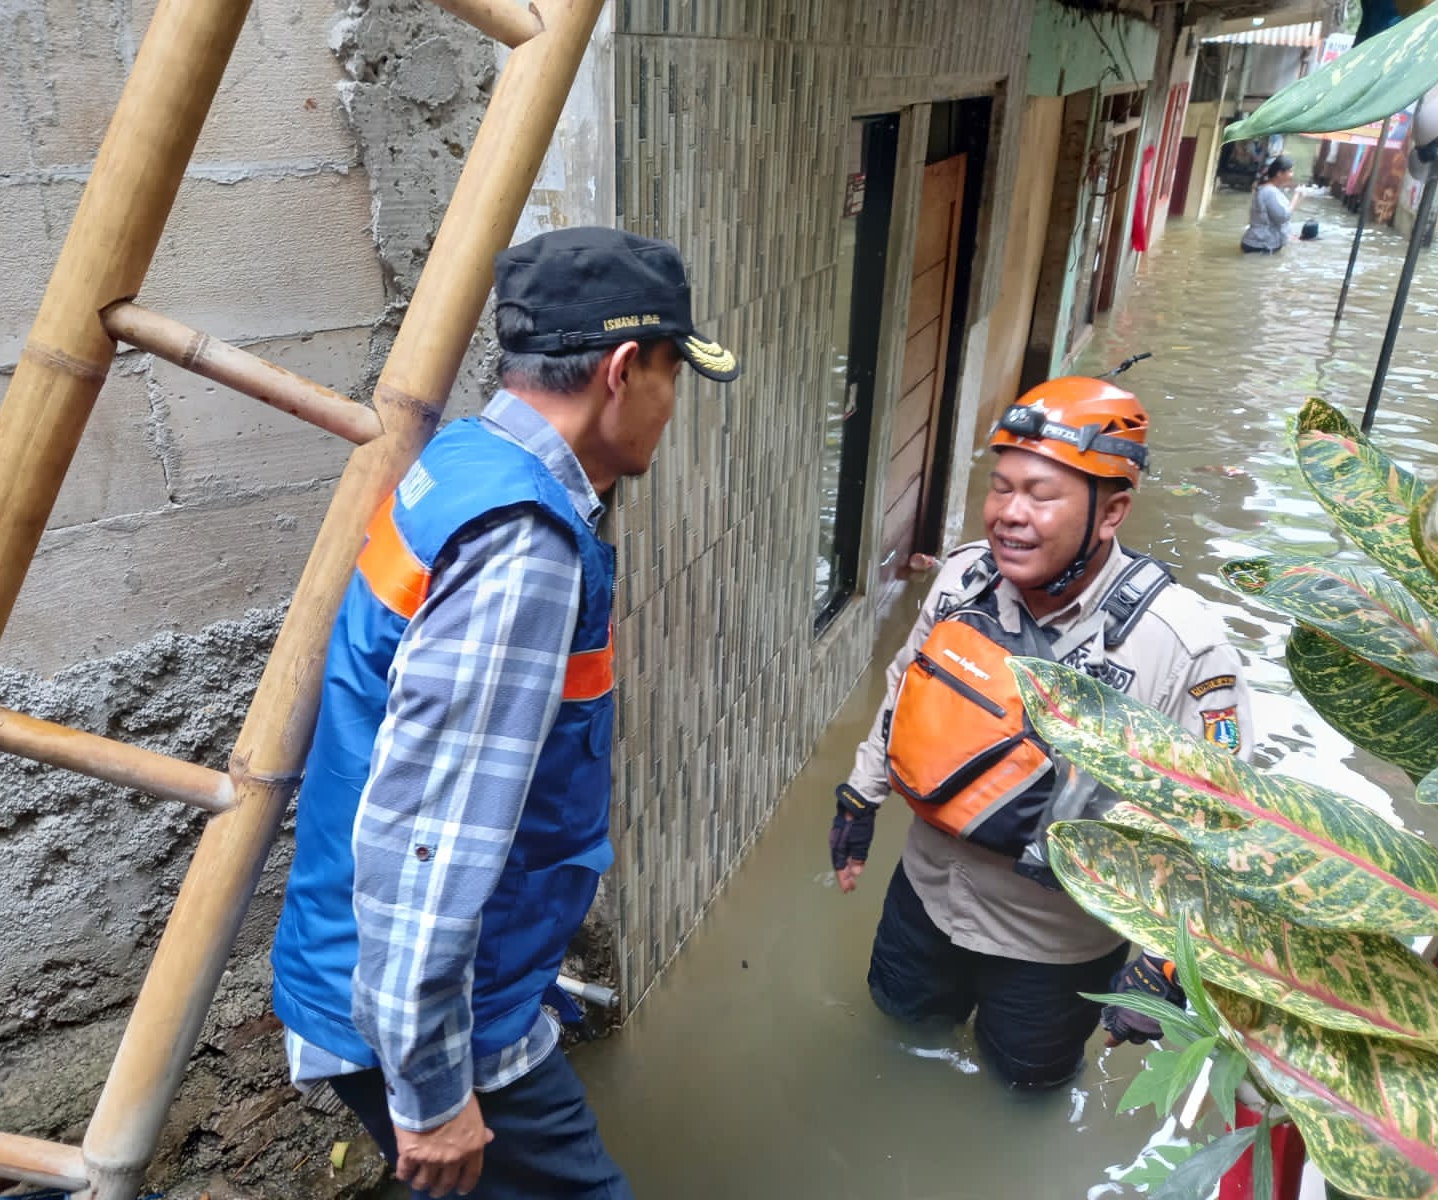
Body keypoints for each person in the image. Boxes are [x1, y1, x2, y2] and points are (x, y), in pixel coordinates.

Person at [271, 226, 738, 1198]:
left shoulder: (466, 459)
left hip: (388, 976)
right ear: (621, 369)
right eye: (671, 374)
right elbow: (430, 836)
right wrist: (436, 1093)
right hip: (437, 1018)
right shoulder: (524, 543)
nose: (671, 404)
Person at [827, 377, 1253, 1089]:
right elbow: (906, 683)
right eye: (1000, 488)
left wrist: (1167, 958)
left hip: (1053, 954)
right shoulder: (963, 579)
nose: (1008, 515)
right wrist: (860, 797)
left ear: (1112, 510)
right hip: (925, 898)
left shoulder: (1184, 647)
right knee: (895, 1036)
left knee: (1022, 1089)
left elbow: (1219, 821)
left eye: (1039, 494)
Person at [1240, 156, 1299, 254]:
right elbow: (1282, 217)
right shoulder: (1270, 191)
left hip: (1257, 243)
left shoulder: (1268, 189)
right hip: (1261, 245)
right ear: (1279, 173)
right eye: (1289, 171)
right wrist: (1296, 198)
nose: (1292, 175)